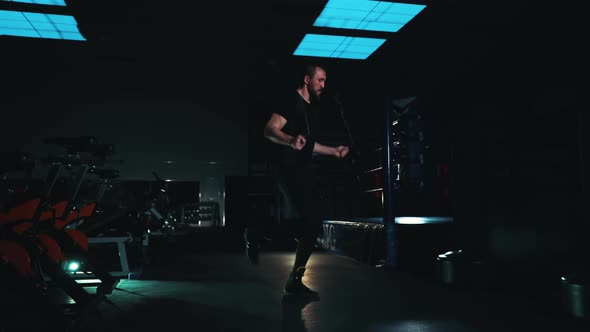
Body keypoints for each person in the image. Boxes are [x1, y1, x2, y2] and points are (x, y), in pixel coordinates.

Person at [246, 63, 350, 297]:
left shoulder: (312, 108)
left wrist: (334, 151)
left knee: (312, 223)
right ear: (306, 79)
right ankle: (256, 233)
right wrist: (290, 141)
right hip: (284, 168)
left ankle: (294, 278)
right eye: (320, 80)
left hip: (301, 170)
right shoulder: (290, 101)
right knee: (308, 221)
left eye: (325, 81)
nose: (324, 85)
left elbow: (309, 145)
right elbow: (270, 130)